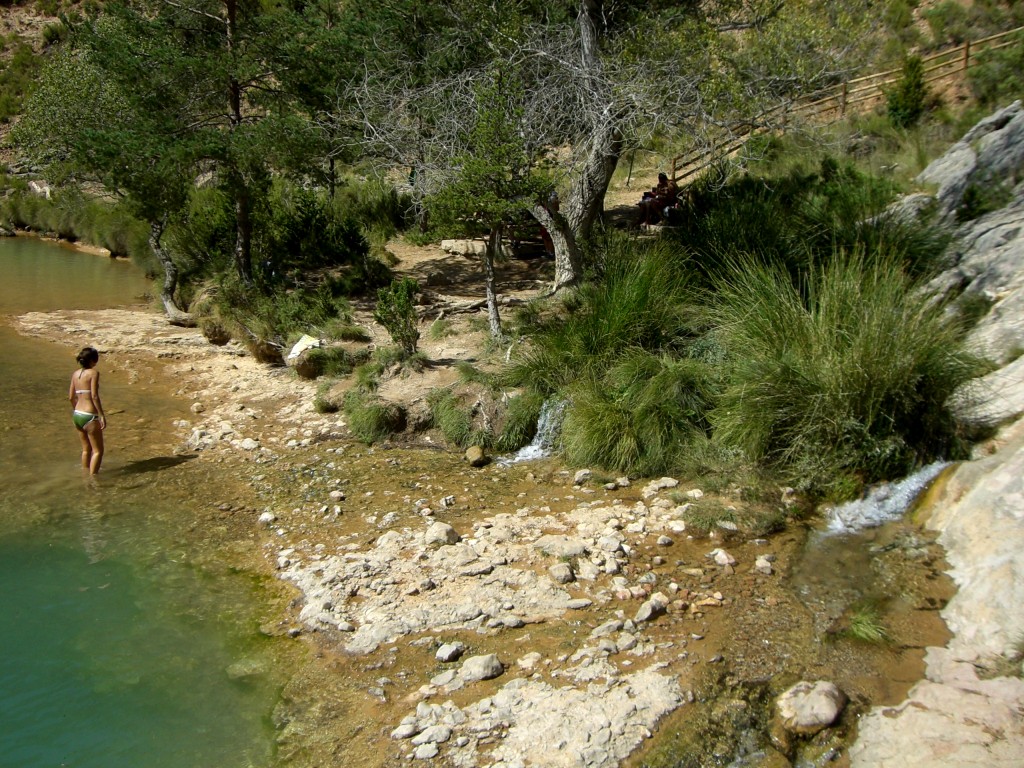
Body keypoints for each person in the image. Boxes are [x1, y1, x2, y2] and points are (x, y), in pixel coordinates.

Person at [69, 346, 106, 475]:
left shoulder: (75, 374)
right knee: (98, 451)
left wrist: (76, 409)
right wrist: (101, 415)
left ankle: (84, 475)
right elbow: (94, 396)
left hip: (77, 414)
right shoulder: (93, 373)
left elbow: (70, 397)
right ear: (93, 361)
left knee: (86, 450)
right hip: (89, 415)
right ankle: (93, 480)